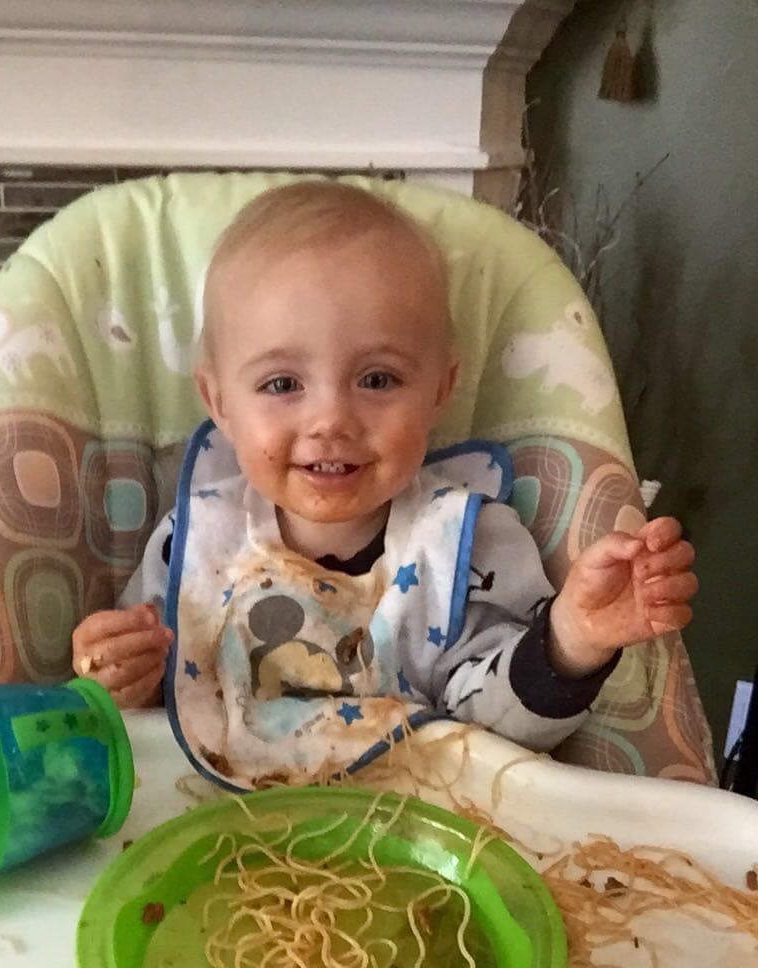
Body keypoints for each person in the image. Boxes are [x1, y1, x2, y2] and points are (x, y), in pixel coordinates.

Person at [72, 181, 697, 788]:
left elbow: (501, 733)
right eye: (282, 384)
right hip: (212, 829)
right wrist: (116, 677)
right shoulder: (193, 537)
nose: (331, 421)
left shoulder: (466, 547)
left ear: (440, 390)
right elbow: (162, 704)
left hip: (414, 845)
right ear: (219, 403)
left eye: (377, 380)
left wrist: (571, 641)